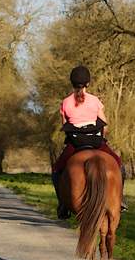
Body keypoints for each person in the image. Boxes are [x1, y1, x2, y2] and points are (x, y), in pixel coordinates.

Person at [52, 65, 125, 219]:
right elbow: (105, 124)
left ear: (72, 83)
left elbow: (64, 125)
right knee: (118, 164)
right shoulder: (95, 100)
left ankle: (63, 205)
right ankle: (120, 199)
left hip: (75, 143)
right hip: (96, 141)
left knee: (57, 170)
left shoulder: (65, 102)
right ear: (88, 83)